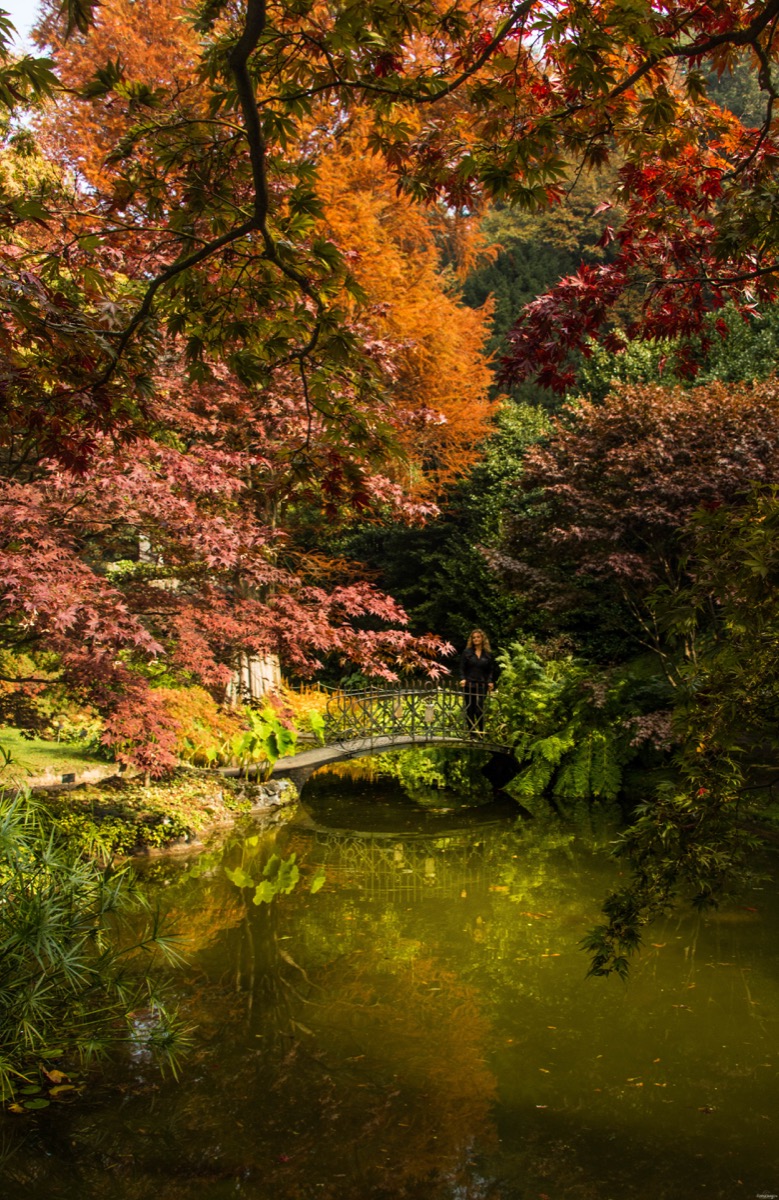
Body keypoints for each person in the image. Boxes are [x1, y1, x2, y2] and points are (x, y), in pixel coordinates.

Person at [460, 629, 497, 734]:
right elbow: (462, 668)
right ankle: (471, 733)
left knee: (479, 708)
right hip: (469, 684)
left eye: (478, 637)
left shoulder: (488, 654)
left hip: (482, 684)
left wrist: (490, 681)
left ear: (482, 638)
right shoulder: (467, 653)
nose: (476, 639)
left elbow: (490, 670)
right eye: (474, 637)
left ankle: (481, 732)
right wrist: (463, 678)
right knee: (470, 708)